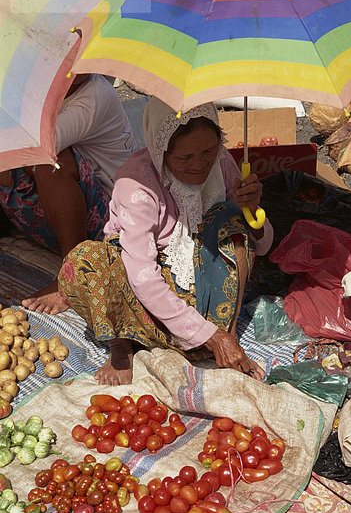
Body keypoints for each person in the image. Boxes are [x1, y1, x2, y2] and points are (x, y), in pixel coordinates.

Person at [58, 97, 274, 385]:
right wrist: (209, 335)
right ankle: (122, 343)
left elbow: (262, 245)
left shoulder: (222, 163)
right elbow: (143, 277)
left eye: (209, 151)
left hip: (203, 287)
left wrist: (253, 210)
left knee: (230, 216)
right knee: (85, 261)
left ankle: (227, 335)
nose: (199, 165)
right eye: (184, 158)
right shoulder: (136, 186)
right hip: (140, 300)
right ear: (161, 152)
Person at [0, 74, 136, 315]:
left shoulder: (95, 96)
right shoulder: (43, 86)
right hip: (66, 206)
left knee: (53, 163)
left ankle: (73, 276)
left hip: (113, 219)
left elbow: (38, 151)